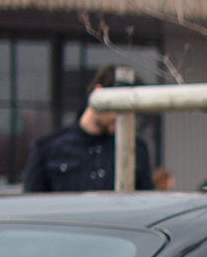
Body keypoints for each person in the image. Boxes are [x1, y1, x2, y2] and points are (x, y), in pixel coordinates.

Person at [23, 65, 154, 192]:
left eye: (130, 111)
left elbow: (146, 206)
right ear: (99, 94)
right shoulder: (47, 149)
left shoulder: (135, 149)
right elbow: (32, 207)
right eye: (119, 107)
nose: (123, 117)